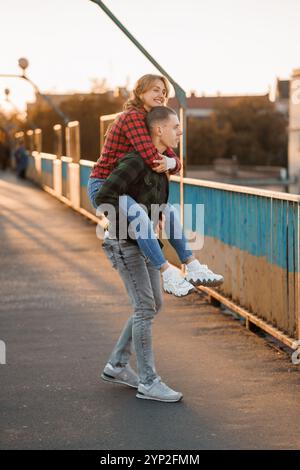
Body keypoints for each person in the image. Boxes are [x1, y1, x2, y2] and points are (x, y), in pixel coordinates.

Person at [87, 74, 224, 297]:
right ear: (140, 92)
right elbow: (152, 158)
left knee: (167, 211)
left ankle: (191, 264)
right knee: (141, 218)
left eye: (164, 92)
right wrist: (169, 162)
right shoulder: (132, 117)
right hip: (105, 186)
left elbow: (168, 158)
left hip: (128, 185)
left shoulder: (151, 120)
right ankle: (168, 274)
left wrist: (172, 162)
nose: (161, 95)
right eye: (155, 90)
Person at [96, 107, 191, 402]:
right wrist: (134, 219)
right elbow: (104, 195)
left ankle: (117, 365)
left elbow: (159, 202)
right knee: (145, 308)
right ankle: (148, 381)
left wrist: (154, 217)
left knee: (153, 305)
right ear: (158, 130)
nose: (180, 131)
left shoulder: (160, 165)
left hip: (145, 245)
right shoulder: (135, 160)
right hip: (125, 244)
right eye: (175, 126)